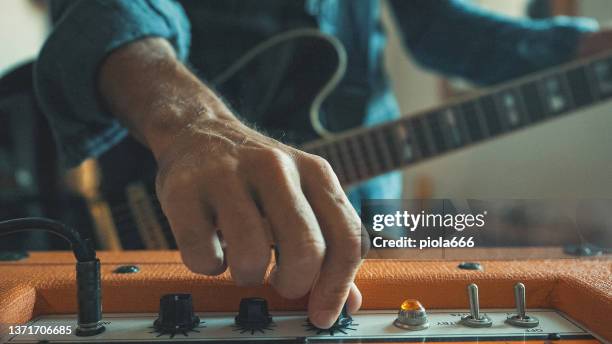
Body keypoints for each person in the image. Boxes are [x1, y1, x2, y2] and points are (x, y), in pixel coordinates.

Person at [34, 0, 611, 329]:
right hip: (183, 200)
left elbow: (436, 25)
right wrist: (192, 126)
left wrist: (582, 51)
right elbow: (100, 12)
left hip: (364, 207)